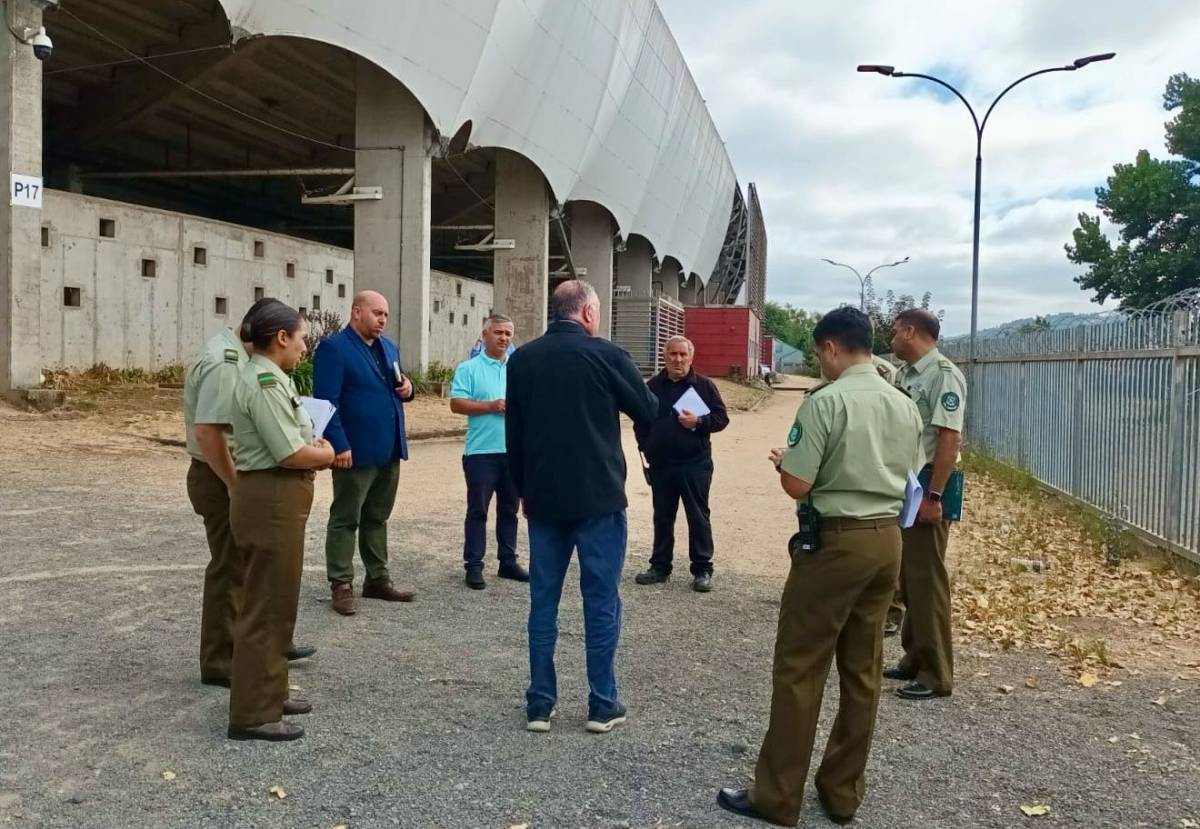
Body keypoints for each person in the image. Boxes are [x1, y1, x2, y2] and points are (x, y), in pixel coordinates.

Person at [717, 306, 922, 826]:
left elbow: (799, 485)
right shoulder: (903, 404)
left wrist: (785, 464)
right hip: (886, 541)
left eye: (817, 352)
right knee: (862, 669)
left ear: (831, 347)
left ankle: (778, 795)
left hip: (835, 544)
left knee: (799, 667)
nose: (818, 361)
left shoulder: (825, 402)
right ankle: (842, 791)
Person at [505, 280, 658, 734]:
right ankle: (602, 703)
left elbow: (515, 435)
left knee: (543, 601)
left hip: (545, 500)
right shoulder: (608, 355)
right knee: (601, 600)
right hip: (599, 499)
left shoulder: (524, 359)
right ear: (589, 313)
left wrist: (524, 491)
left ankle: (539, 703)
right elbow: (647, 409)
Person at [183, 300, 315, 691]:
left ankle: (260, 652)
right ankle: (224, 661)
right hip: (220, 473)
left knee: (251, 570)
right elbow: (209, 431)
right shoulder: (227, 363)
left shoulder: (240, 358)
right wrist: (234, 484)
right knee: (232, 568)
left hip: (230, 471)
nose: (300, 346)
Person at [226, 300, 335, 742]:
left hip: (275, 496)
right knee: (266, 606)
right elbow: (290, 453)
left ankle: (270, 692)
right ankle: (253, 713)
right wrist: (326, 454)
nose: (305, 346)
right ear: (281, 338)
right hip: (270, 495)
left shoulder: (270, 378)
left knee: (278, 602)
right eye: (302, 338)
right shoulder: (266, 382)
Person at [313, 290, 417, 616]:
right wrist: (339, 444)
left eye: (385, 314)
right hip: (354, 451)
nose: (383, 319)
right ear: (357, 312)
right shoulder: (334, 349)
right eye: (377, 313)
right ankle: (341, 583)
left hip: (388, 448)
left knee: (378, 517)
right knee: (346, 517)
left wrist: (408, 389)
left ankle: (377, 579)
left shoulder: (389, 347)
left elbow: (394, 389)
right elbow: (327, 402)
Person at [885, 308, 966, 701]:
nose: (892, 338)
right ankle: (913, 658)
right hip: (909, 484)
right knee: (909, 576)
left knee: (927, 580)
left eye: (896, 331)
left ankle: (936, 674)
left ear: (912, 331)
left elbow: (948, 439)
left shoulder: (943, 375)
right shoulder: (905, 374)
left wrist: (934, 496)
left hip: (930, 486)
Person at [633, 335, 729, 592]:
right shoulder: (652, 386)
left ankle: (702, 569)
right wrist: (646, 447)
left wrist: (698, 422)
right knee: (662, 517)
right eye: (672, 354)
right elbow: (640, 421)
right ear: (665, 357)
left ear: (691, 357)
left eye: (682, 355)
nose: (677, 359)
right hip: (662, 465)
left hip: (694, 465)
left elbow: (721, 419)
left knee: (698, 517)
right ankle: (660, 567)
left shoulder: (704, 386)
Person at [449, 314, 529, 589]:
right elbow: (456, 404)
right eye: (498, 333)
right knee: (478, 511)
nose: (504, 338)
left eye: (508, 333)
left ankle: (507, 561)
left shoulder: (518, 368)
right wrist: (489, 406)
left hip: (513, 451)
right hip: (481, 453)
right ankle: (474, 565)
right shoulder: (469, 368)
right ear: (484, 335)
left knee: (510, 509)